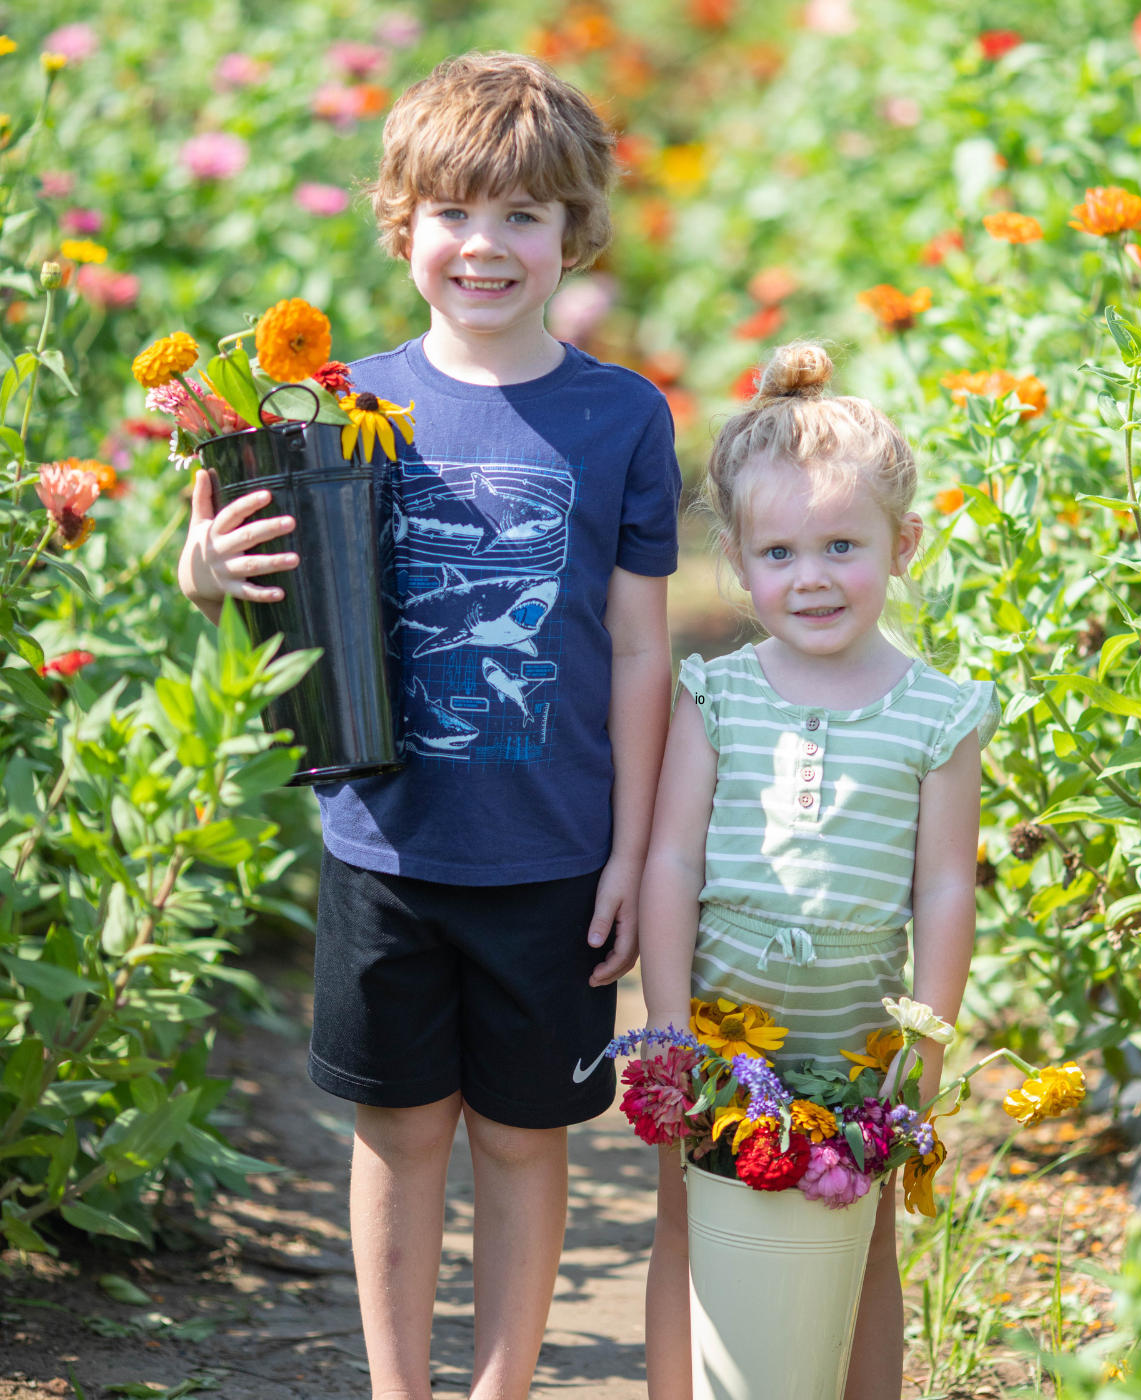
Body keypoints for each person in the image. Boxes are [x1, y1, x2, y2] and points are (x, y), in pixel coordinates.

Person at [177, 53, 681, 1400]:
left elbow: (641, 646)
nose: (486, 245)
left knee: (522, 1138)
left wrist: (631, 853)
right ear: (403, 223)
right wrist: (204, 565)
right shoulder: (336, 409)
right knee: (398, 1135)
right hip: (383, 849)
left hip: (553, 857)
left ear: (576, 230)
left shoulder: (621, 417)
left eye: (524, 215)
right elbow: (250, 582)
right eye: (455, 211)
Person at [638, 341, 997, 1399]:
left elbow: (944, 886)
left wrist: (927, 1042)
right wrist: (667, 1021)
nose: (811, 576)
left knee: (862, 1231)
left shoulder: (936, 713)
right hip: (722, 1022)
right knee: (687, 1218)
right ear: (738, 562)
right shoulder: (720, 693)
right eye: (780, 551)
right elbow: (672, 857)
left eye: (843, 545)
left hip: (858, 1032)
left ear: (902, 544)